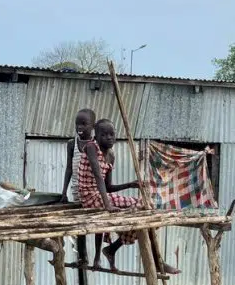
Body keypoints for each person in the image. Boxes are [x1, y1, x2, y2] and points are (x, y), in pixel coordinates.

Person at [78, 119, 178, 274]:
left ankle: (114, 248)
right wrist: (108, 205)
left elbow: (109, 186)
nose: (109, 137)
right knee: (142, 207)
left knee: (145, 209)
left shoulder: (110, 156)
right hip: (90, 197)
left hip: (101, 196)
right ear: (96, 136)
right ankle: (156, 262)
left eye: (112, 134)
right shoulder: (91, 147)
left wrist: (130, 184)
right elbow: (98, 177)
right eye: (104, 134)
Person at [60, 108, 97, 266]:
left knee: (96, 225)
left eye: (84, 124)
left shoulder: (96, 145)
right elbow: (69, 168)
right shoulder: (71, 144)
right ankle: (82, 257)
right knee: (80, 225)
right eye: (77, 124)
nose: (80, 127)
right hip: (76, 191)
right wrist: (63, 192)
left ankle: (96, 258)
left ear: (92, 126)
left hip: (92, 191)